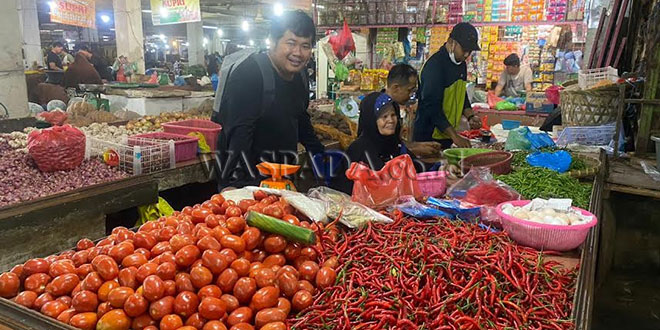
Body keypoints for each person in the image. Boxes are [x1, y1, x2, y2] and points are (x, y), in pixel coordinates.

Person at [215, 10, 324, 189]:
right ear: (272, 41)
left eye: (305, 46)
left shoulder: (300, 76)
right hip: (248, 182)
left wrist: (321, 157)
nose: (298, 52)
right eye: (291, 43)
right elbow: (239, 133)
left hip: (282, 179)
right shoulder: (249, 74)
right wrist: (233, 186)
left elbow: (300, 119)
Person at [413, 22, 482, 149]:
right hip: (429, 136)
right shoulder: (435, 66)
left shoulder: (461, 64)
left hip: (446, 135)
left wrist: (470, 116)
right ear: (451, 42)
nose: (466, 55)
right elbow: (432, 107)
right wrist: (455, 136)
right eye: (464, 50)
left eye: (470, 51)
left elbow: (462, 94)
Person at [333, 93, 418, 194]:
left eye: (393, 115)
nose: (390, 120)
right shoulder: (359, 151)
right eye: (384, 117)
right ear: (371, 120)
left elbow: (416, 166)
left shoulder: (394, 144)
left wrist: (439, 167)